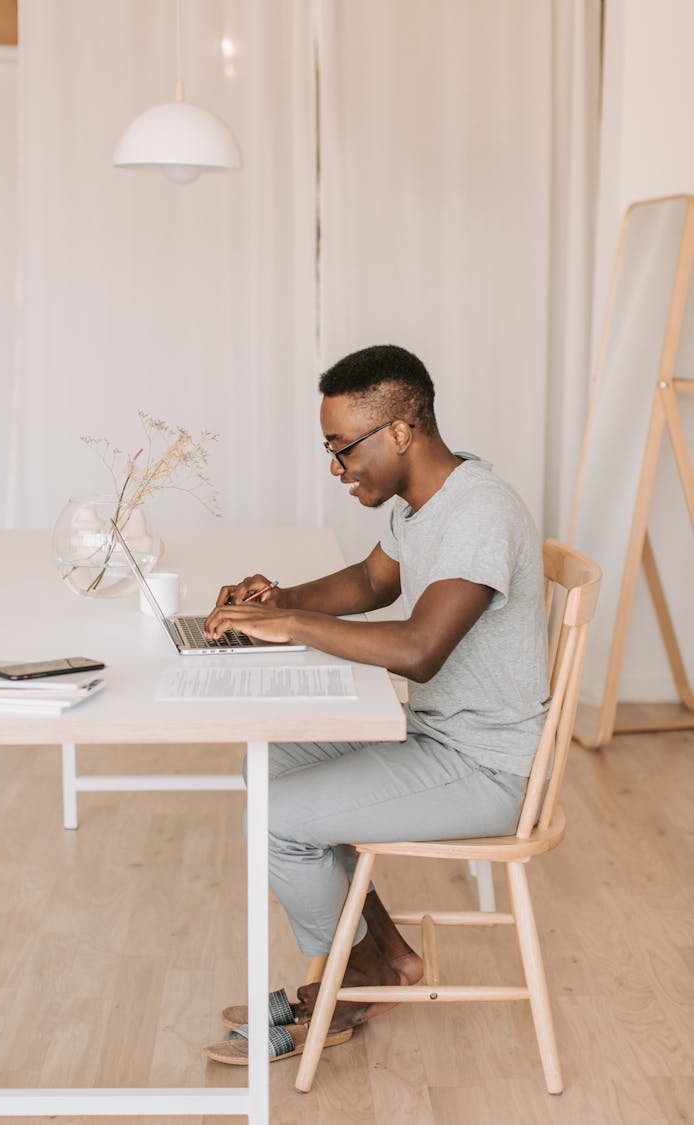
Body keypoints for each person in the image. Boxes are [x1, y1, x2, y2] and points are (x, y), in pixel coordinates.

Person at [203, 344, 549, 1062]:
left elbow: (423, 646)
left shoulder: (479, 511)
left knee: (277, 818)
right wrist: (278, 601)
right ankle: (381, 961)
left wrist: (292, 627)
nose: (336, 467)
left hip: (487, 765)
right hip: (436, 736)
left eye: (342, 447)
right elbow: (370, 582)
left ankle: (354, 975)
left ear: (399, 431)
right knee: (266, 767)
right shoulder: (427, 503)